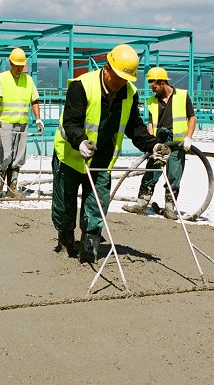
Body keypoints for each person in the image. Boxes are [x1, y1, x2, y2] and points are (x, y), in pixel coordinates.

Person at [51, 44, 170, 262]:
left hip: (102, 159)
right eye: (116, 78)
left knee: (96, 204)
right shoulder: (82, 86)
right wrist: (80, 141)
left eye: (124, 80)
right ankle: (66, 237)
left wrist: (153, 146)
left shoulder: (129, 93)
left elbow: (135, 127)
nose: (119, 84)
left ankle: (89, 246)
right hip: (69, 156)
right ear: (107, 69)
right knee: (64, 206)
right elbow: (71, 122)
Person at [121, 67, 197, 220]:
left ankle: (170, 208)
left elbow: (192, 118)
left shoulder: (182, 96)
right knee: (151, 172)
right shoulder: (152, 101)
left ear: (163, 83)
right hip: (159, 141)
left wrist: (189, 137)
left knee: (174, 175)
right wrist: (150, 142)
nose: (152, 88)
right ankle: (141, 204)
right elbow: (151, 123)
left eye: (154, 85)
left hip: (177, 143)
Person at [0, 47, 44, 199]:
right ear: (11, 63)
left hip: (22, 123)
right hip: (6, 123)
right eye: (17, 65)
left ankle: (12, 189)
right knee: (5, 155)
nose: (20, 68)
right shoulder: (2, 78)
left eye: (22, 65)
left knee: (18, 157)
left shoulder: (28, 80)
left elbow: (34, 100)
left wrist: (38, 118)